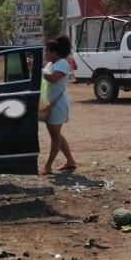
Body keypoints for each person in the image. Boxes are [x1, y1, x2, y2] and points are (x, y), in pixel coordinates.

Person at [39, 36, 76, 175]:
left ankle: (48, 166)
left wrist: (40, 70)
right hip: (51, 104)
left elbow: (53, 79)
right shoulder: (51, 64)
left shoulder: (62, 64)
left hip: (58, 104)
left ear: (55, 52)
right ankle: (70, 161)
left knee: (55, 136)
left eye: (47, 51)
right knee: (56, 134)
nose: (46, 54)